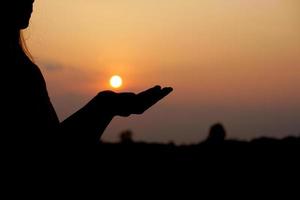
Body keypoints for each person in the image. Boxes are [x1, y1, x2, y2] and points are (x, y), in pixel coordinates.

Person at [1, 0, 173, 145]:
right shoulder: (21, 73)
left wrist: (106, 104)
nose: (33, 1)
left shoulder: (23, 68)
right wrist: (106, 105)